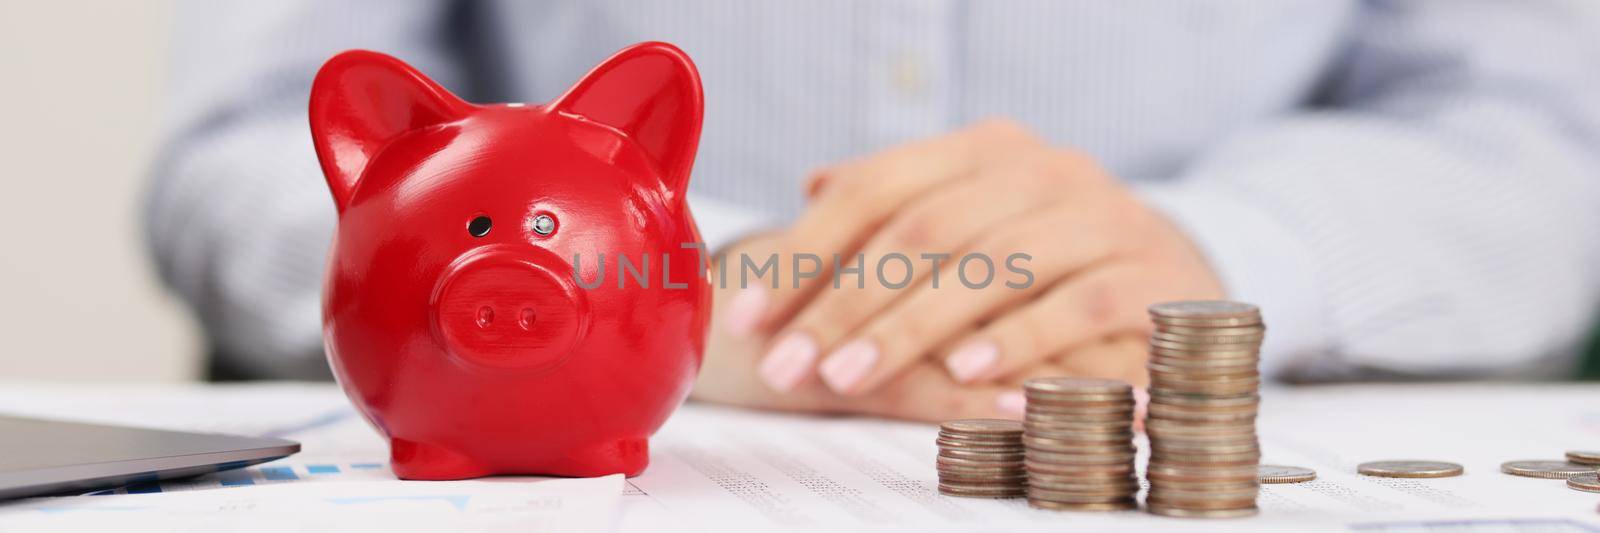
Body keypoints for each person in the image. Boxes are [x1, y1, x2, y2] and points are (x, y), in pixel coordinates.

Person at [145, 1, 1600, 421]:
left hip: (1223, 372)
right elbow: (257, 141)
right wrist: (671, 286)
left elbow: (1545, 134)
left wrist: (1212, 257)